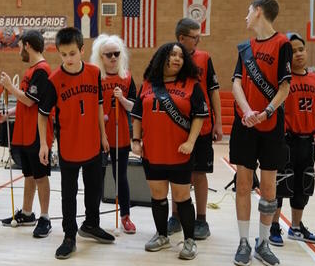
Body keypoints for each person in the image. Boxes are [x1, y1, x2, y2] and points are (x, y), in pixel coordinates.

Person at [37, 28, 115, 259]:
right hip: (69, 147)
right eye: (63, 55)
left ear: (82, 50)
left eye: (72, 53)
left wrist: (103, 136)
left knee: (94, 190)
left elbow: (99, 105)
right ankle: (69, 236)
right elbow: (42, 115)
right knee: (69, 195)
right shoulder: (53, 81)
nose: (68, 59)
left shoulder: (94, 73)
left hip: (92, 144)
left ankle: (91, 224)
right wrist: (44, 144)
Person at [125, 42, 208, 260]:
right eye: (172, 55)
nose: (177, 59)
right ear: (163, 57)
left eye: (181, 56)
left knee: (182, 198)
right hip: (152, 152)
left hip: (180, 153)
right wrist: (135, 140)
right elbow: (138, 116)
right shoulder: (148, 84)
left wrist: (191, 142)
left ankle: (189, 241)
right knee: (158, 196)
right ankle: (162, 236)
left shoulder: (191, 85)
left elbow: (199, 116)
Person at [229, 0, 293, 265]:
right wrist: (247, 112)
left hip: (271, 125)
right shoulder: (245, 47)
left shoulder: (283, 44)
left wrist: (266, 112)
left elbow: (285, 86)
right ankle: (244, 242)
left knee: (268, 188)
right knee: (243, 184)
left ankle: (263, 242)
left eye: (247, 10)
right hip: (245, 124)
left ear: (257, 12)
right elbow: (236, 83)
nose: (245, 16)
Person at [270, 34, 315, 246]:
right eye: (293, 51)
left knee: (304, 184)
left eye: (301, 49)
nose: (298, 54)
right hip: (285, 140)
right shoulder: (282, 81)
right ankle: (274, 226)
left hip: (307, 141)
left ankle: (296, 227)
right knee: (281, 184)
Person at [169, 18, 222, 241]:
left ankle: (201, 219)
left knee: (199, 174)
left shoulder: (205, 58)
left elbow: (214, 91)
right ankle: (175, 216)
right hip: (176, 125)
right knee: (176, 174)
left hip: (202, 127)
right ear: (182, 38)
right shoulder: (169, 57)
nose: (198, 41)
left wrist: (218, 122)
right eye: (195, 37)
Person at [0, 29, 54, 238]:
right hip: (26, 132)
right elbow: (27, 103)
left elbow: (31, 100)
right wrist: (9, 113)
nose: (19, 50)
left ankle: (45, 218)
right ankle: (28, 213)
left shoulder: (42, 70)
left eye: (20, 46)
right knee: (29, 175)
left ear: (28, 45)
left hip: (38, 134)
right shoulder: (32, 70)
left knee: (40, 177)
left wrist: (9, 87)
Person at [89, 34, 140, 235]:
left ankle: (126, 216)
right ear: (100, 57)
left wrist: (123, 100)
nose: (112, 58)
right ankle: (93, 219)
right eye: (108, 54)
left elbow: (135, 107)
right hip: (99, 136)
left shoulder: (127, 77)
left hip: (120, 136)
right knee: (96, 178)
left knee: (121, 178)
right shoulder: (95, 77)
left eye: (116, 54)